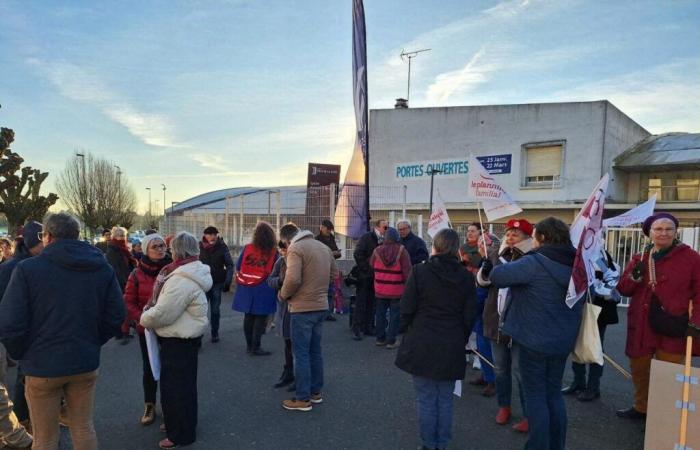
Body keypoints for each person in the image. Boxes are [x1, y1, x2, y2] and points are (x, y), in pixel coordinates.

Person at [0, 212, 125, 450]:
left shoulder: (28, 270)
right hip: (84, 361)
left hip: (42, 366)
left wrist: (24, 354)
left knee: (45, 438)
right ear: (77, 235)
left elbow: (10, 323)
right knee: (83, 427)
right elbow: (115, 316)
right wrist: (93, 340)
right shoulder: (101, 266)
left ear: (47, 236)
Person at [481, 217, 582, 450]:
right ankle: (556, 445)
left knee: (536, 395)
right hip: (562, 340)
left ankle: (538, 445)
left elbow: (499, 277)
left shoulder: (536, 261)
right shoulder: (576, 262)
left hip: (533, 340)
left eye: (535, 235)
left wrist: (491, 264)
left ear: (543, 238)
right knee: (553, 394)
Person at [395, 228, 478, 450]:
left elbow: (406, 308)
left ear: (436, 246)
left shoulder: (420, 272)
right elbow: (470, 314)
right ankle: (442, 443)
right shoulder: (466, 276)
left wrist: (406, 330)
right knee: (445, 398)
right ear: (456, 249)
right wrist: (461, 336)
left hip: (422, 340)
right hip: (452, 341)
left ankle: (429, 444)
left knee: (426, 398)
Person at [615, 212, 700, 420]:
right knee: (640, 369)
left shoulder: (691, 258)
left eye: (668, 229)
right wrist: (636, 274)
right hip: (641, 325)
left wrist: (696, 322)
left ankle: (665, 415)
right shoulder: (640, 257)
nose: (664, 233)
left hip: (672, 325)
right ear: (649, 233)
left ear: (675, 232)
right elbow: (624, 289)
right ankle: (642, 407)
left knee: (669, 372)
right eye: (658, 229)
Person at [140, 232, 211, 450]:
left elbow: (163, 313)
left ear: (177, 251)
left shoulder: (181, 279)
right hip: (186, 339)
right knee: (184, 387)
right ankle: (178, 424)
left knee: (176, 390)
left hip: (178, 341)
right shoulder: (193, 271)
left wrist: (144, 317)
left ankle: (180, 433)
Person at [477, 218, 533, 430]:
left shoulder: (532, 258)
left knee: (521, 371)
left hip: (520, 322)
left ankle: (529, 414)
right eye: (508, 234)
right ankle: (504, 406)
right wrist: (484, 270)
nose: (510, 238)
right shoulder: (495, 255)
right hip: (495, 319)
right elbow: (483, 283)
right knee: (500, 369)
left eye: (515, 235)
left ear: (527, 238)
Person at [279, 223, 338, 412]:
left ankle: (303, 398)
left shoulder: (296, 249)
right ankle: (315, 392)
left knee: (301, 354)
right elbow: (334, 274)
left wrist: (283, 294)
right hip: (321, 306)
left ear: (287, 239)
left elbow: (293, 279)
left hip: (302, 308)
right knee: (315, 351)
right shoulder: (324, 247)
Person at [124, 233, 173, 426]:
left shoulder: (172, 270)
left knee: (170, 368)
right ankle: (149, 404)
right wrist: (142, 320)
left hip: (169, 327)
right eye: (155, 246)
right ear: (146, 250)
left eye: (162, 245)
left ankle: (169, 407)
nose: (160, 249)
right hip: (147, 329)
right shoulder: (136, 274)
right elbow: (129, 301)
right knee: (150, 367)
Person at [0, 221, 44, 430]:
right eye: (42, 241)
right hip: (22, 330)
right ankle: (22, 420)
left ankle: (24, 419)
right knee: (23, 377)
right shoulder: (15, 267)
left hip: (30, 330)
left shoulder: (31, 263)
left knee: (25, 377)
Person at [562, 247, 621, 402]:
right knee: (575, 344)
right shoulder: (572, 252)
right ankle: (579, 381)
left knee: (595, 346)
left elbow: (611, 275)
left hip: (596, 307)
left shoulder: (596, 254)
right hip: (575, 305)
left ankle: (593, 387)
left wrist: (597, 290)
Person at [461, 223, 496, 398]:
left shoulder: (493, 263)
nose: (480, 246)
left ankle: (492, 381)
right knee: (481, 346)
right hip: (479, 308)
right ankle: (485, 374)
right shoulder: (484, 260)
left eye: (484, 243)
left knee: (487, 346)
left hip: (487, 310)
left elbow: (485, 286)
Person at [233, 222, 278, 355]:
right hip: (264, 287)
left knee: (248, 316)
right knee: (260, 317)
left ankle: (249, 346)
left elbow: (239, 265)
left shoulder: (248, 248)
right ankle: (256, 346)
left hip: (246, 285)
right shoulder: (273, 252)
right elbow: (276, 270)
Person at [369, 227, 411, 349]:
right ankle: (391, 341)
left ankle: (380, 338)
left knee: (380, 314)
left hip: (380, 288)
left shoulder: (377, 250)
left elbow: (371, 265)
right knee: (395, 316)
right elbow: (407, 271)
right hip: (397, 289)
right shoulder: (402, 251)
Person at [352, 218, 387, 340]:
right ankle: (357, 328)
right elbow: (357, 253)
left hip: (376, 277)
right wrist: (366, 269)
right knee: (361, 302)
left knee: (372, 303)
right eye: (385, 227)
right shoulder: (367, 237)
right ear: (378, 227)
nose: (386, 230)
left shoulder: (384, 240)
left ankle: (368, 327)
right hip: (365, 276)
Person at [199, 226, 234, 343]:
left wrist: (228, 281)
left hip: (217, 283)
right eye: (210, 234)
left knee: (215, 310)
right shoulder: (199, 247)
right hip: (202, 283)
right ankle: (198, 335)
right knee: (200, 310)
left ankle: (215, 333)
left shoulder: (222, 247)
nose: (212, 236)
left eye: (214, 234)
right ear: (205, 235)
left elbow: (229, 264)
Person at [267, 240, 294, 389]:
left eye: (285, 247)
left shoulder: (299, 260)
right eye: (281, 249)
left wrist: (284, 289)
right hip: (284, 308)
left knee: (297, 346)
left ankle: (297, 375)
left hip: (297, 306)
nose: (283, 251)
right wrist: (280, 281)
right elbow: (270, 280)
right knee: (287, 342)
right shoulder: (280, 262)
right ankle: (288, 372)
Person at [105, 226, 138, 342]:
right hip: (121, 283)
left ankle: (124, 330)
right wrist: (126, 283)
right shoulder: (114, 250)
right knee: (122, 308)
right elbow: (117, 270)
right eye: (120, 236)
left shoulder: (121, 248)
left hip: (125, 281)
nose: (122, 238)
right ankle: (121, 332)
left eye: (123, 236)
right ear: (115, 237)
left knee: (124, 307)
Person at [315, 219, 341, 321]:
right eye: (327, 229)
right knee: (321, 292)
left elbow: (336, 252)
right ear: (322, 228)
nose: (328, 232)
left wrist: (336, 253)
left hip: (330, 268)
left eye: (330, 230)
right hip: (320, 269)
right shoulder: (317, 239)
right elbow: (317, 255)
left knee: (330, 291)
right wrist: (331, 253)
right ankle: (319, 312)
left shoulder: (331, 238)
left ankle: (328, 313)